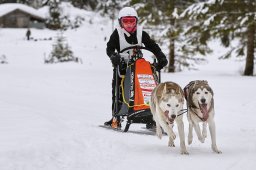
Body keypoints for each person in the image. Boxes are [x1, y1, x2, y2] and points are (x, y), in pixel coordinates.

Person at [104, 7, 168, 127]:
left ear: (136, 21)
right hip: (122, 66)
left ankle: (152, 116)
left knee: (147, 87)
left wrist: (161, 57)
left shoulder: (141, 33)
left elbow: (153, 46)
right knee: (117, 90)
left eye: (131, 21)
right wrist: (113, 56)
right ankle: (116, 117)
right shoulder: (117, 34)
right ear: (120, 22)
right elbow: (110, 48)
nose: (129, 24)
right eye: (126, 21)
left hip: (138, 66)